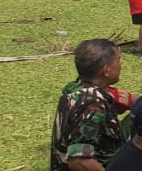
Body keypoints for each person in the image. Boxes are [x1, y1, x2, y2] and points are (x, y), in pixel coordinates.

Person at [51, 39, 132, 171]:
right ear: (106, 71)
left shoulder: (74, 89)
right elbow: (79, 161)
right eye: (118, 60)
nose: (120, 64)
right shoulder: (92, 103)